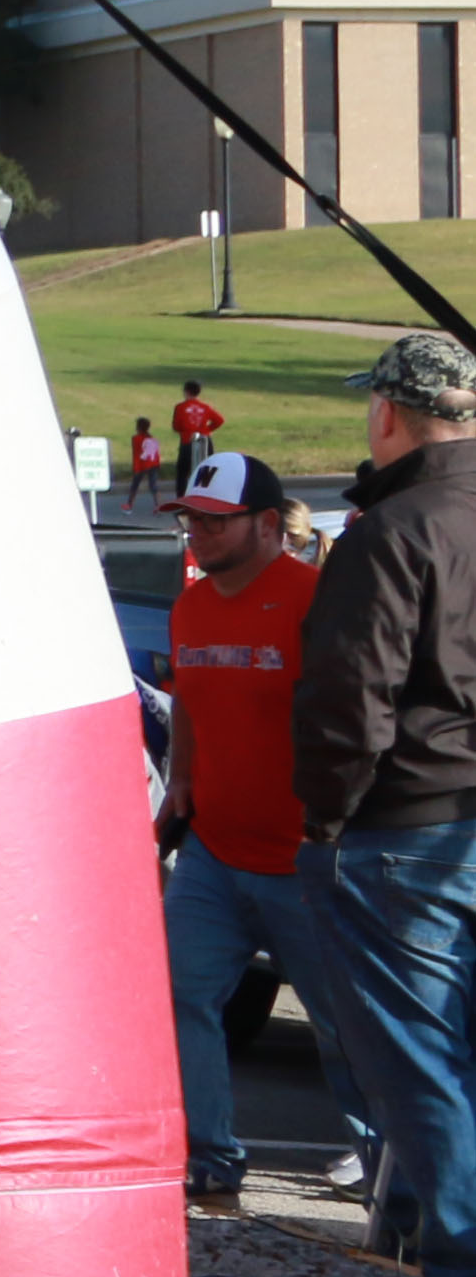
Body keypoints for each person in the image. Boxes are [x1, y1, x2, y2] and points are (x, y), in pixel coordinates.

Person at [304, 331, 476, 1277]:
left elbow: (346, 693)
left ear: (385, 413)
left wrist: (323, 816)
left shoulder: (389, 528)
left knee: (414, 1061)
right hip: (453, 819)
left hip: (399, 822)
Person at [157, 450, 375, 1211]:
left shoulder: (314, 599)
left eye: (213, 521)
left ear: (264, 523)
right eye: (190, 519)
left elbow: (356, 716)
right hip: (213, 850)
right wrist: (181, 777)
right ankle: (209, 1155)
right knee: (181, 994)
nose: (197, 534)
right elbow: (184, 697)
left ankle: (385, 1164)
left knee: (341, 1024)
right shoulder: (189, 604)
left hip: (305, 858)